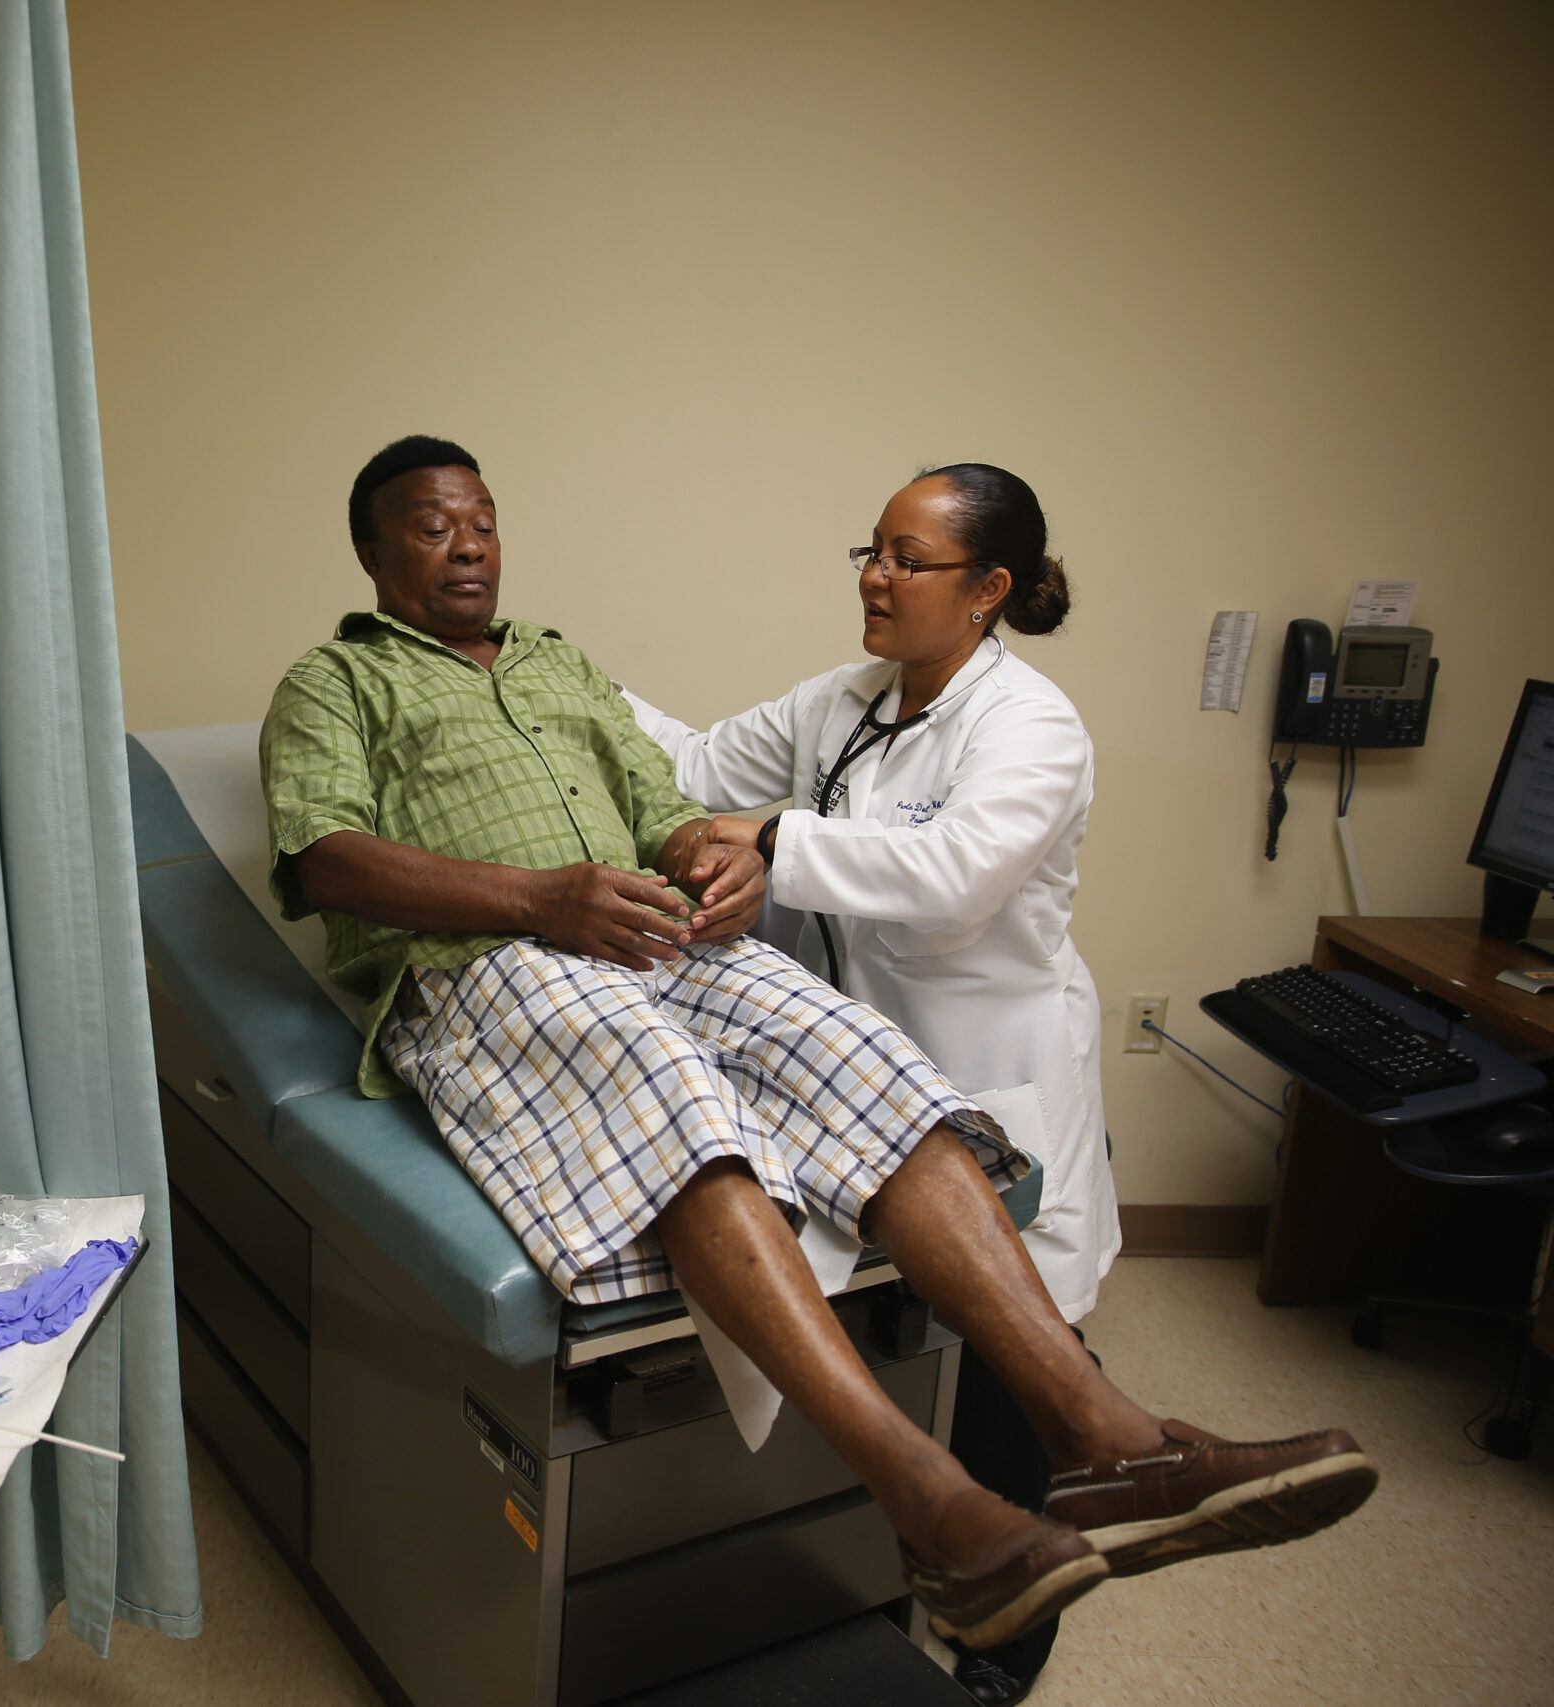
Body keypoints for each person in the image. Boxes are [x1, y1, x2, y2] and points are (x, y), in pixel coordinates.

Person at [261, 434, 1375, 1654]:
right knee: (680, 1102)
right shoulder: (334, 682)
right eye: (433, 528)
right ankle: (929, 1501)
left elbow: (675, 804)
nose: (468, 547)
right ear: (370, 550)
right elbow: (323, 861)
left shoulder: (564, 664)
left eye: (482, 523)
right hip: (498, 961)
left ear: (987, 588)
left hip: (679, 944)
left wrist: (717, 862)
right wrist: (546, 896)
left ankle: (1107, 1437)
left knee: (871, 1063)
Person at [619, 463, 1115, 1704]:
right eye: (871, 552)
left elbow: (952, 875)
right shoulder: (844, 699)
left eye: (907, 559)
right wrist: (569, 684)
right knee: (905, 1338)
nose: (875, 579)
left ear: (987, 589)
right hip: (863, 1064)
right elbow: (696, 761)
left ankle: (1004, 1655)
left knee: (1012, 1362)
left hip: (991, 1065)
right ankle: (913, 1557)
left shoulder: (1031, 726)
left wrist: (770, 837)